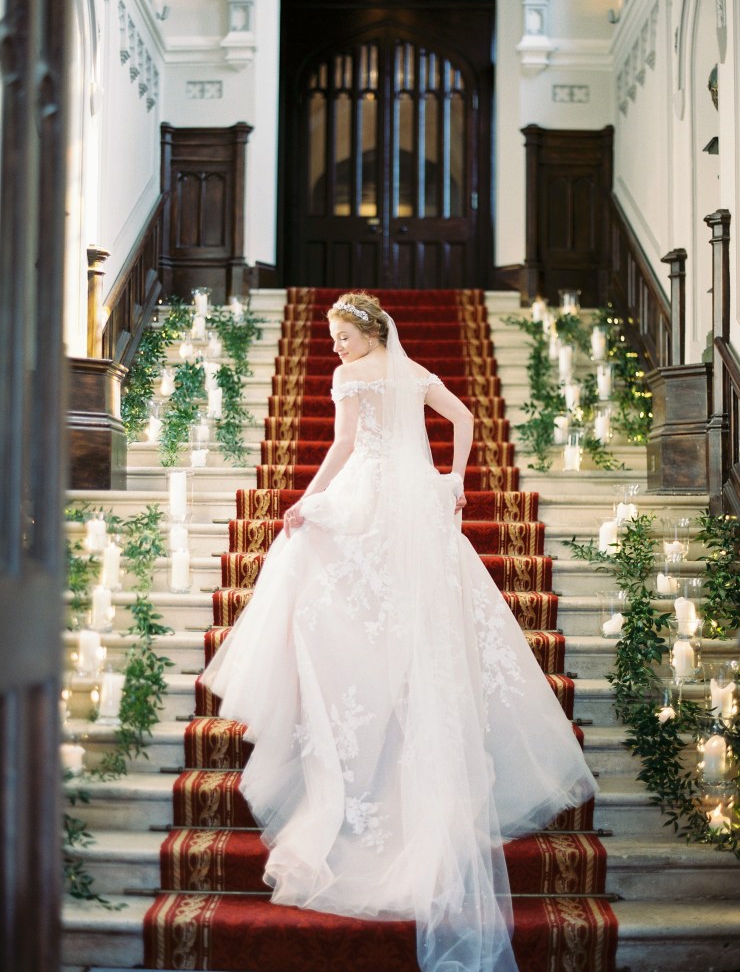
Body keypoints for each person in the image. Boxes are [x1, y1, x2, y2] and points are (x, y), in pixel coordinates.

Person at [201, 292, 597, 972]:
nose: (333, 349)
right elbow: (465, 418)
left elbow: (346, 444)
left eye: (339, 337)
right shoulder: (410, 374)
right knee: (414, 614)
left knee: (320, 577)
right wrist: (453, 477)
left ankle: (344, 702)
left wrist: (308, 499)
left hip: (372, 494)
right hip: (416, 498)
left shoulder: (354, 378)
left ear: (363, 330)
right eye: (329, 340)